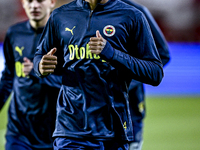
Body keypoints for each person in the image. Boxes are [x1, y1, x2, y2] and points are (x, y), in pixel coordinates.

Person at [33, 0, 164, 149]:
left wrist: (112, 53)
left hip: (113, 130)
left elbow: (155, 72)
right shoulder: (60, 15)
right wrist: (40, 66)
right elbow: (40, 54)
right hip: (70, 129)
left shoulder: (132, 16)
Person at [0, 0, 61, 150]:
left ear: (52, 2)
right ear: (23, 3)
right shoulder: (14, 33)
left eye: (40, 1)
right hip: (19, 132)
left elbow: (73, 82)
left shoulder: (64, 36)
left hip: (53, 133)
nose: (34, 5)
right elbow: (8, 76)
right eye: (29, 1)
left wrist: (37, 72)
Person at [118, 1, 171, 150]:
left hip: (129, 105)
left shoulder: (137, 12)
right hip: (89, 108)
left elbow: (162, 54)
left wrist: (127, 81)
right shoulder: (80, 14)